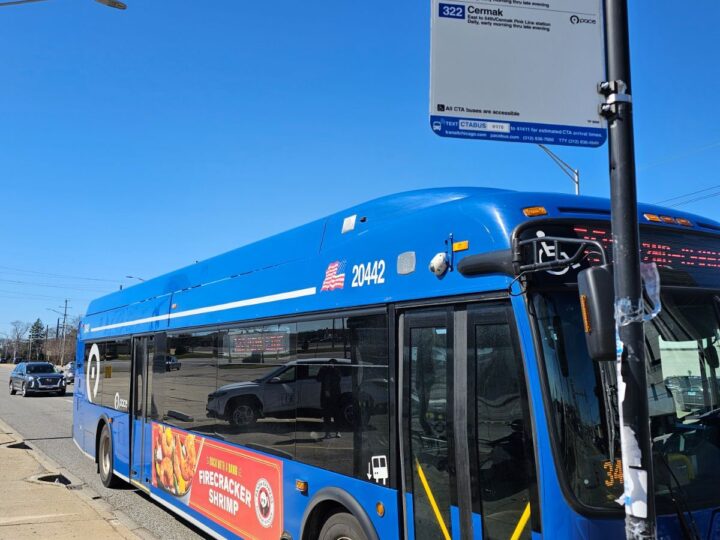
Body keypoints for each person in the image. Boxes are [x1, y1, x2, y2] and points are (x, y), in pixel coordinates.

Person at [317, 359, 342, 438]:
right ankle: (327, 433)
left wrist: (334, 369)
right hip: (326, 396)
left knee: (336, 415)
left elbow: (339, 379)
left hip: (335, 396)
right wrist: (324, 369)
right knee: (326, 416)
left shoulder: (337, 371)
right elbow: (318, 378)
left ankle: (337, 431)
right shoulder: (324, 370)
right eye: (330, 364)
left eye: (333, 364)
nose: (331, 365)